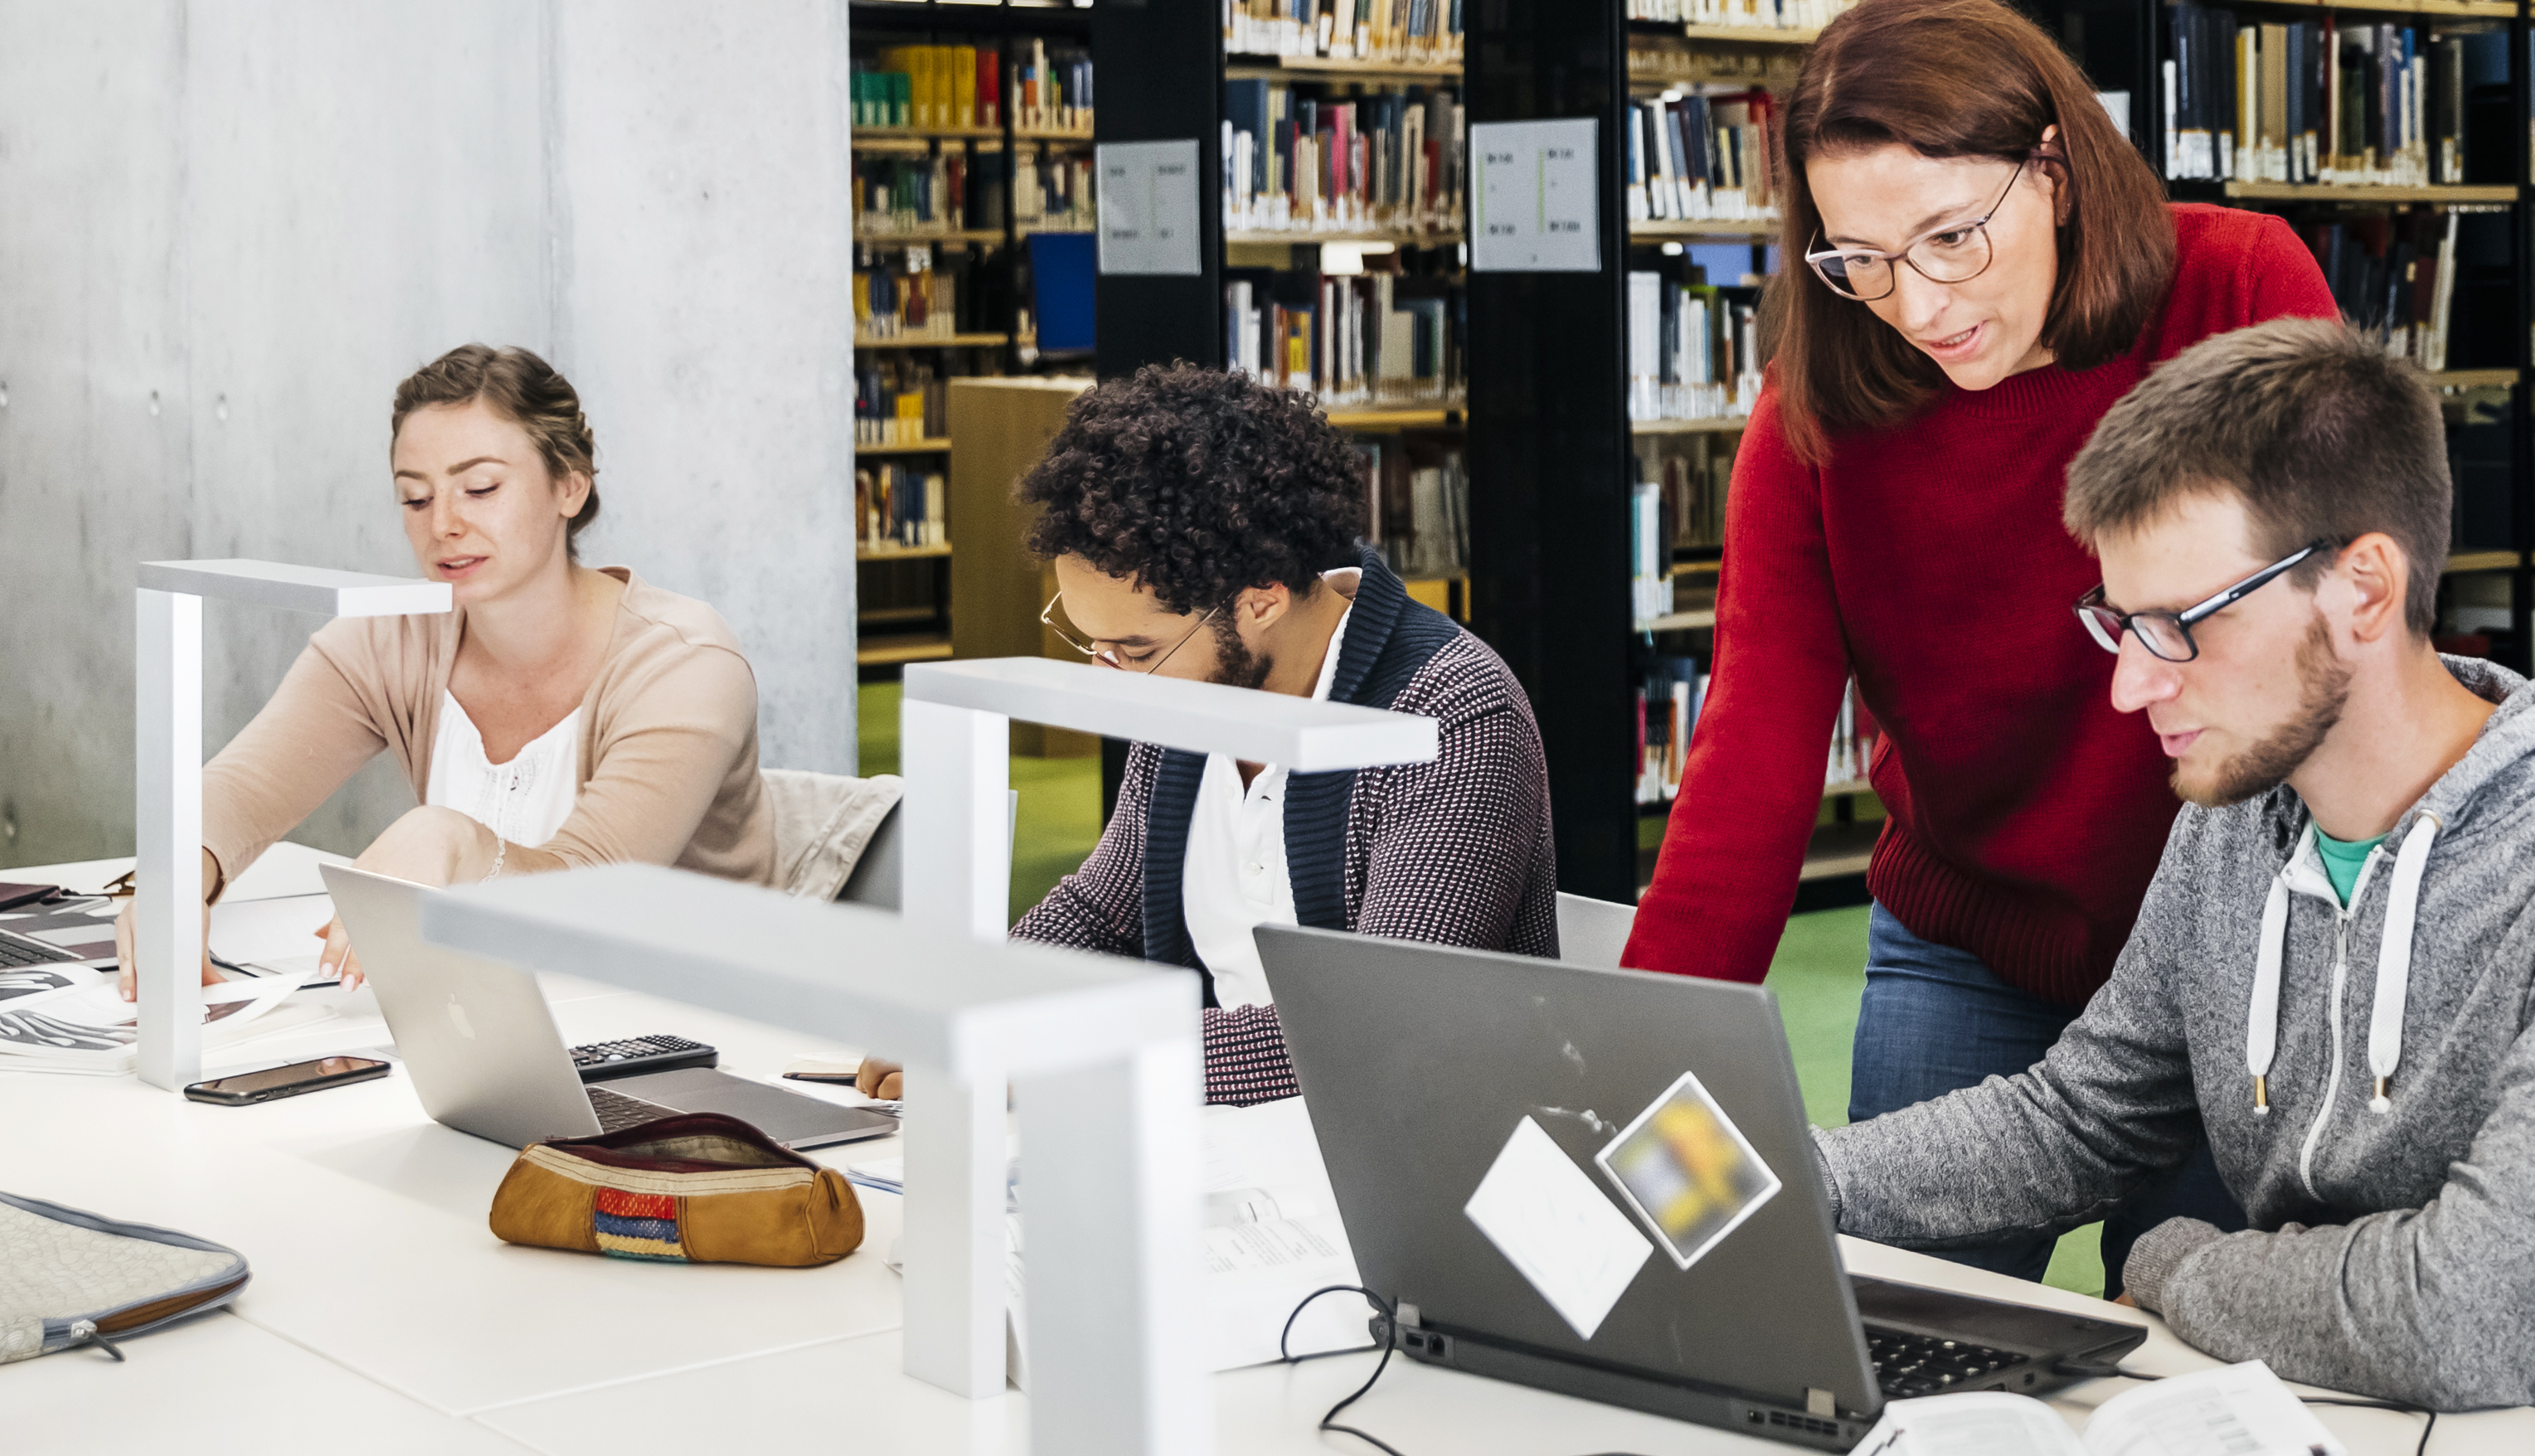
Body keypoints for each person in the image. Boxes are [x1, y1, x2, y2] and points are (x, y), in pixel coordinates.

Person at [1812, 319, 2535, 1456]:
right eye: (2118, 621)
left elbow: (2467, 1318)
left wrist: (2172, 1262)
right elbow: (2080, 1116)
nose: (2128, 685)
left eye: (2179, 627)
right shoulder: (2233, 824)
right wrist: (1787, 1173)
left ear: (2362, 588)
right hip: (2357, 1440)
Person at [1621, 0, 2338, 1282]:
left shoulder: (2234, 283)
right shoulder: (1823, 395)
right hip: (1972, 937)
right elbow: (1750, 753)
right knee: (1892, 1320)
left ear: (2053, 169)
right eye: (1861, 258)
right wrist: (1639, 1107)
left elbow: (2322, 657)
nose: (1918, 300)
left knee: (2202, 1362)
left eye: (1953, 234)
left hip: (2233, 961)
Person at [863, 365, 1552, 1107]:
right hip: (1222, 1149)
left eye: (1134, 648)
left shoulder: (1451, 717)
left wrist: (1055, 1052)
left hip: (1400, 1162)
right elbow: (1101, 910)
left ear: (1261, 601)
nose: (1111, 675)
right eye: (1091, 642)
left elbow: (1372, 1028)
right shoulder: (1191, 692)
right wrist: (967, 1009)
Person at [126, 344, 764, 997]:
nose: (445, 524)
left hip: (697, 1032)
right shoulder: (394, 636)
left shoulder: (684, 662)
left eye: (481, 488)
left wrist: (450, 840)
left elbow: (592, 892)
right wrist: (176, 874)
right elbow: (243, 788)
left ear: (570, 484)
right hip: (501, 1021)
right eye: (415, 498)